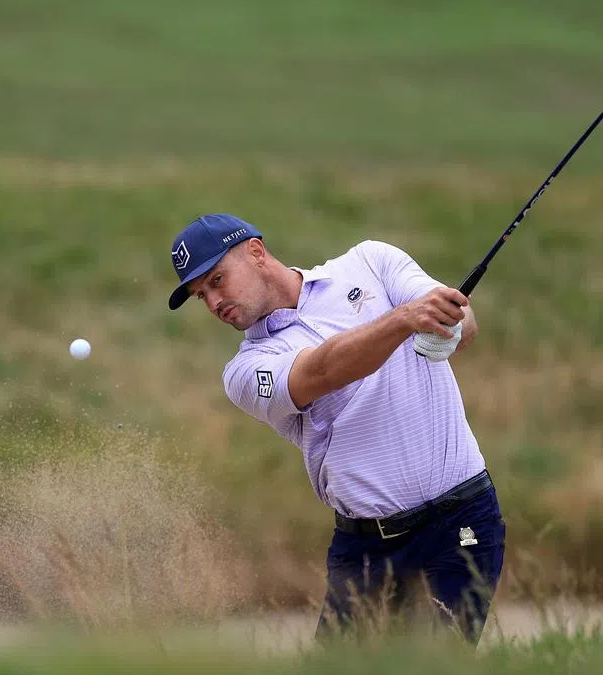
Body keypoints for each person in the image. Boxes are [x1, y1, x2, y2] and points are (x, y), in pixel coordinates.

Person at [166, 212, 506, 644]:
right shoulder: (245, 370)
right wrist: (404, 320)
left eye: (216, 280)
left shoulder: (371, 262)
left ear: (255, 253)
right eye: (201, 296)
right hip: (365, 549)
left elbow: (460, 323)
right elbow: (321, 372)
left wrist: (452, 325)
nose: (214, 302)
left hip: (460, 522)